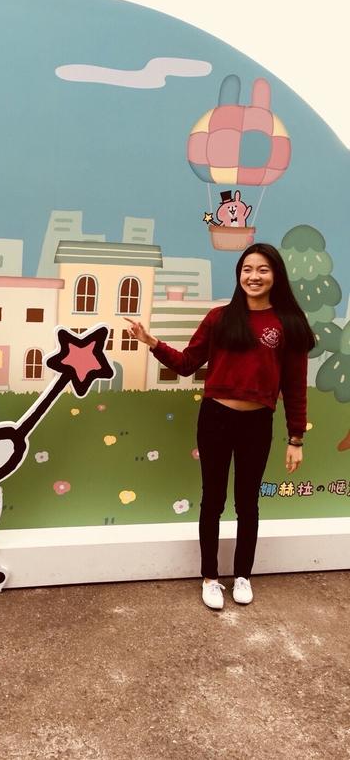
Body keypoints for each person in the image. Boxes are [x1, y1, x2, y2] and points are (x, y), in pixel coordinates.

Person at [126, 243, 314, 610]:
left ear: (276, 275)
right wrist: (152, 343)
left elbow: (295, 386)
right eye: (247, 269)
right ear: (239, 274)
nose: (253, 276)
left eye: (262, 270)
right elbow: (187, 363)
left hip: (257, 423)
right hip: (215, 418)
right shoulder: (219, 318)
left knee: (248, 502)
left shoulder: (288, 324)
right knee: (212, 500)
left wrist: (296, 438)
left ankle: (242, 575)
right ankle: (210, 578)